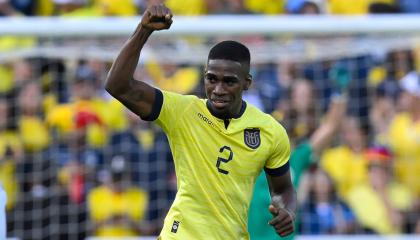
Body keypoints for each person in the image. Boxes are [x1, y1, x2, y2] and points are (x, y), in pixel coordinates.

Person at [105, 3, 297, 239]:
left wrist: (286, 209)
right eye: (211, 79)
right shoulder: (182, 111)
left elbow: (283, 188)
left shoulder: (270, 130)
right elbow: (118, 85)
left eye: (229, 81)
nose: (218, 89)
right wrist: (143, 30)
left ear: (247, 83)